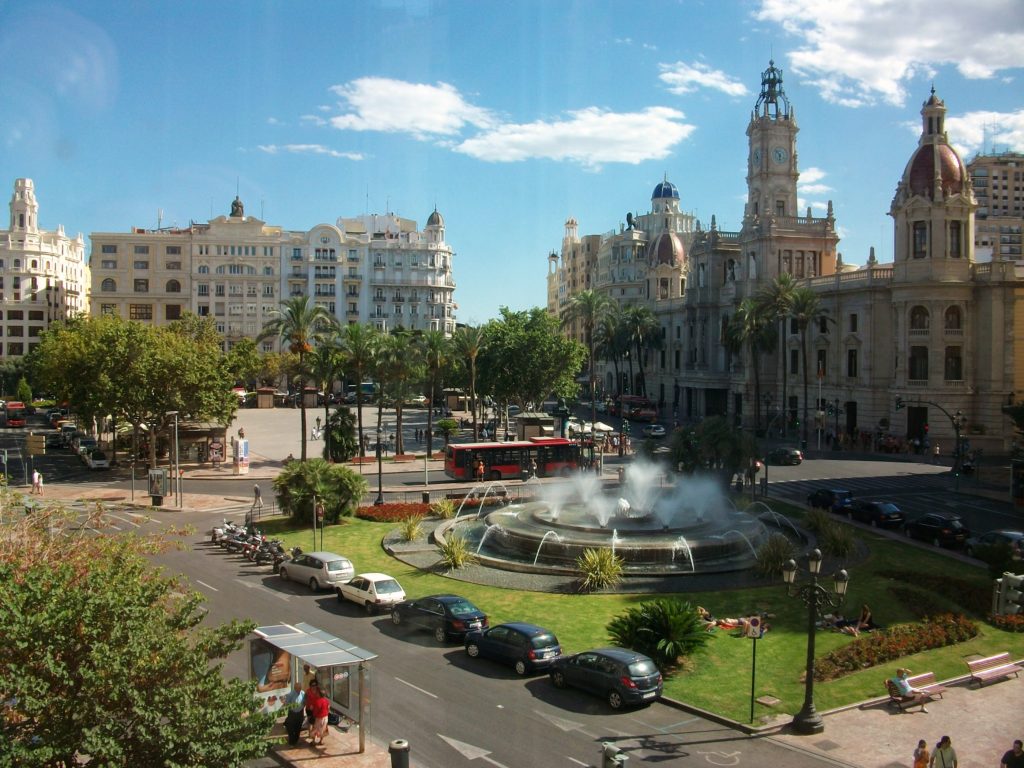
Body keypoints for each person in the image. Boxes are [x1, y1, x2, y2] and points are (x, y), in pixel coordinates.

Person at [283, 681, 306, 746]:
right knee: (290, 727)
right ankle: (291, 741)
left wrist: (303, 706)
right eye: (298, 688)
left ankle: (295, 740)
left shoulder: (303, 693)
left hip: (300, 713)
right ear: (295, 688)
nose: (299, 690)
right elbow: (287, 703)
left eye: (300, 688)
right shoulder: (290, 695)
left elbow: (304, 702)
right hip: (292, 713)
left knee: (298, 728)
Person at [309, 680, 330, 746]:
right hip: (325, 718)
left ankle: (313, 741)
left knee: (315, 729)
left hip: (319, 718)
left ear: (319, 694)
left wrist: (314, 715)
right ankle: (321, 741)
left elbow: (315, 710)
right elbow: (328, 708)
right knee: (323, 729)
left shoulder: (318, 701)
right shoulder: (326, 701)